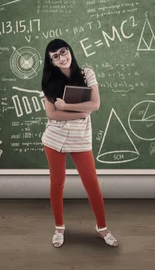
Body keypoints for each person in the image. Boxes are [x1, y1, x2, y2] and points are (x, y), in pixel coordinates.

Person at [40, 38, 118, 248]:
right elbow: (52, 115)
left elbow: (95, 104)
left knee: (92, 184)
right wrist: (79, 111)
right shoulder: (49, 83)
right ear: (52, 62)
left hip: (81, 139)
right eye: (55, 57)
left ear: (70, 51)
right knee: (57, 183)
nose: (61, 58)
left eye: (63, 52)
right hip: (54, 139)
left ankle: (102, 229)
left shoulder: (86, 74)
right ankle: (59, 228)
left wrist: (65, 106)